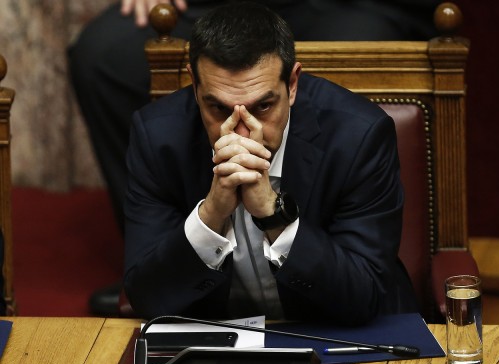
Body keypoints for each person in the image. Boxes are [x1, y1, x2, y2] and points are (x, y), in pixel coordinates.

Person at [69, 0, 439, 316]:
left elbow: (365, 295)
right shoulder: (158, 137)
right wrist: (210, 214)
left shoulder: (358, 135)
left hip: (333, 332)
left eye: (263, 106)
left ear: (292, 85)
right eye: (217, 107)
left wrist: (273, 213)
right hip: (219, 339)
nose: (242, 132)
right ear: (194, 86)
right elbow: (147, 297)